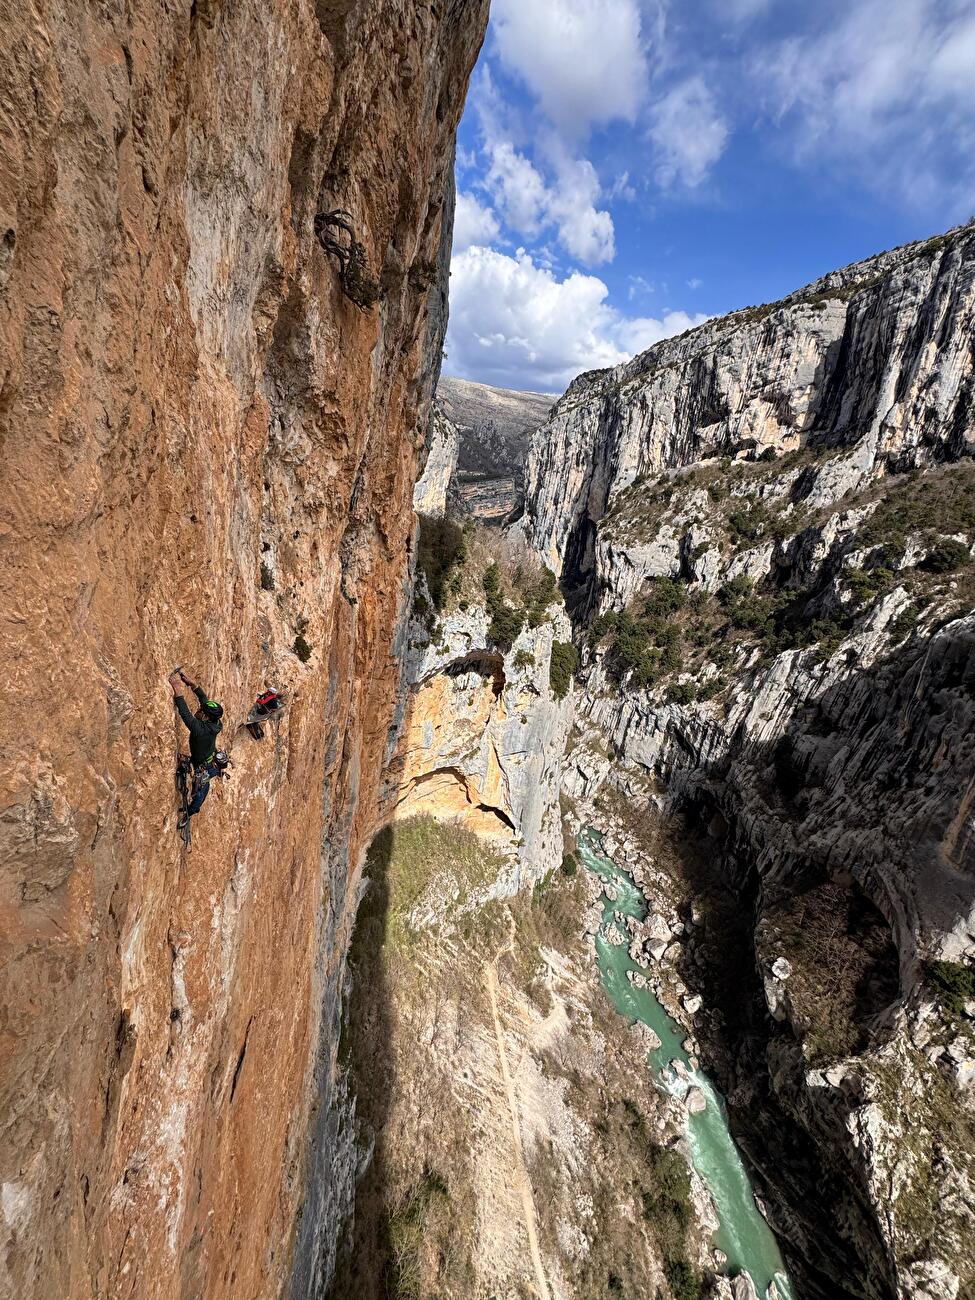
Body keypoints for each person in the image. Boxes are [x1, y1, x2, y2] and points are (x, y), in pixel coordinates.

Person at [168, 669, 225, 827]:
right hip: (206, 758)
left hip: (205, 766)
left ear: (206, 717)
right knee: (200, 786)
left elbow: (186, 714)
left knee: (199, 791)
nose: (198, 710)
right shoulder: (216, 723)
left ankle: (190, 812)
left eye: (200, 711)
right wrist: (193, 685)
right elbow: (204, 699)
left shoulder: (200, 730)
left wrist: (178, 689)